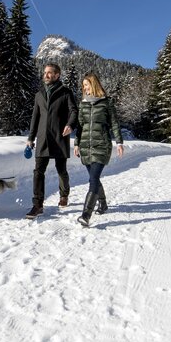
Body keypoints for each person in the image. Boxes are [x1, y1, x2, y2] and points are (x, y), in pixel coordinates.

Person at [25, 63, 79, 218]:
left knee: (61, 169)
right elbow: (35, 118)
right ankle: (37, 204)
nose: (46, 75)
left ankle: (64, 194)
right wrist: (30, 137)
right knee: (38, 171)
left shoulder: (65, 92)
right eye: (45, 73)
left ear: (57, 75)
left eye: (49, 73)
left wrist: (70, 124)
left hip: (59, 136)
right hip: (42, 139)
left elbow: (74, 111)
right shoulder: (39, 94)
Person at [73, 73, 124, 227]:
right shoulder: (82, 104)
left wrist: (119, 142)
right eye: (83, 86)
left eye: (87, 85)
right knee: (93, 178)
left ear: (94, 85)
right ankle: (103, 203)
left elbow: (114, 123)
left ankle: (86, 215)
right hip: (85, 146)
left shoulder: (106, 103)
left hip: (102, 145)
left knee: (93, 178)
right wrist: (76, 144)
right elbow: (80, 126)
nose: (85, 88)